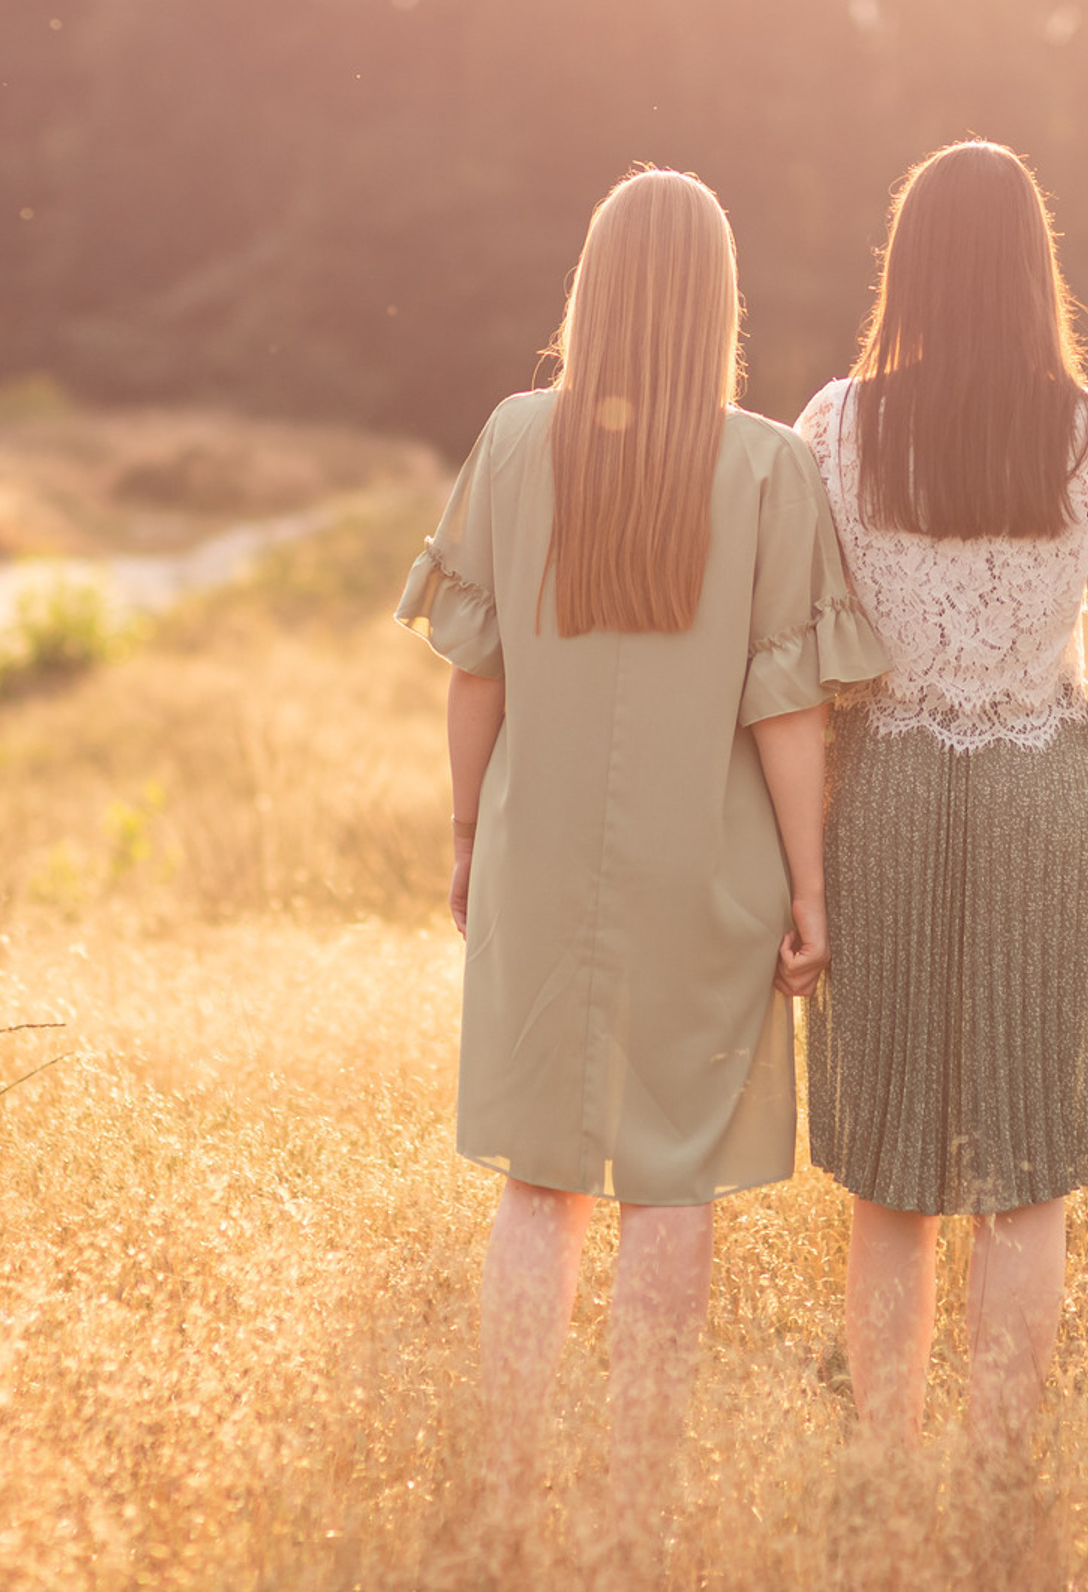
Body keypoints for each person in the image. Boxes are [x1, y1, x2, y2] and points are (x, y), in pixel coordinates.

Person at [397, 166, 885, 1559]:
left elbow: (476, 674)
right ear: (719, 302)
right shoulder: (768, 468)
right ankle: (635, 1511)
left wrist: (468, 837)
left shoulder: (512, 439)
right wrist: (810, 889)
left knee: (540, 1176)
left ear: (592, 290)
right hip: (706, 872)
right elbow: (786, 709)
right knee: (672, 1182)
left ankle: (505, 1494)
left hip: (541, 854)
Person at [796, 140, 1088, 1465]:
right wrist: (1055, 768)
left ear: (906, 264)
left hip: (881, 794)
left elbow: (801, 650)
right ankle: (1002, 1467)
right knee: (1032, 1165)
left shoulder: (835, 425)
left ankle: (885, 1460)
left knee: (890, 1166)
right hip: (1047, 793)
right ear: (1035, 266)